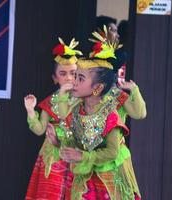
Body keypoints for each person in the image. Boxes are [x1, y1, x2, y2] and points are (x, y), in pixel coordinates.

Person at [57, 30, 142, 200]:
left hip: (109, 173)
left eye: (80, 78)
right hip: (87, 173)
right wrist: (58, 142)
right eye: (75, 76)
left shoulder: (110, 114)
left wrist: (83, 156)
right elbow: (70, 132)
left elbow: (112, 152)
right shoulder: (77, 109)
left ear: (97, 88)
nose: (73, 82)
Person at [24, 38, 82, 199]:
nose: (69, 78)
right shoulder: (49, 102)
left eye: (74, 73)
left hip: (76, 154)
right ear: (55, 78)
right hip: (53, 157)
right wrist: (30, 111)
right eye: (63, 74)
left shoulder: (85, 101)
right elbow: (39, 130)